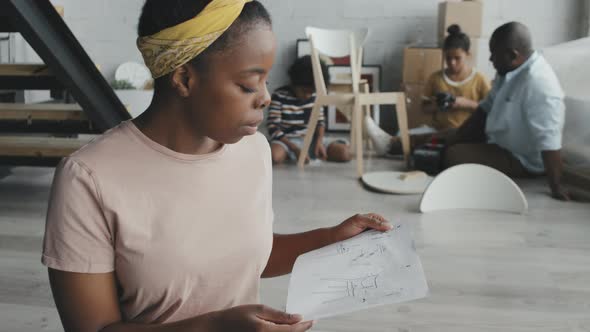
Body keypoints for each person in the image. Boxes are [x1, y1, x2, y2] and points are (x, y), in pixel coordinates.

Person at [41, 1, 393, 331]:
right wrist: (213, 327)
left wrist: (331, 239)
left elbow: (246, 256)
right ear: (183, 79)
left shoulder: (252, 149)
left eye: (266, 80)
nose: (266, 97)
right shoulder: (88, 179)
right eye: (248, 84)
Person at [443, 22, 569, 200]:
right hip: (498, 143)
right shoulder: (509, 71)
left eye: (494, 53)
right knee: (445, 136)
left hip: (520, 159)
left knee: (453, 155)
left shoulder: (539, 84)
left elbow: (549, 140)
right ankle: (401, 143)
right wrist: (457, 135)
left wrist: (557, 187)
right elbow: (485, 109)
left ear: (512, 55)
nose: (490, 59)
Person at [365, 24, 491, 155]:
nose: (452, 62)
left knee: (426, 142)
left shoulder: (479, 80)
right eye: (448, 58)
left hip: (465, 132)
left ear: (468, 54)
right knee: (406, 133)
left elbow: (490, 111)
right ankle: (394, 143)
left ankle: (390, 144)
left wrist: (465, 103)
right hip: (438, 129)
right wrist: (438, 105)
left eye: (457, 58)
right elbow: (424, 108)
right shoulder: (436, 78)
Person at [267, 55, 351, 164]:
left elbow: (320, 122)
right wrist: (295, 148)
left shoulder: (315, 96)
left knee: (345, 153)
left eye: (311, 92)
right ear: (294, 83)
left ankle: (313, 152)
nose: (307, 95)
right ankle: (294, 154)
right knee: (274, 157)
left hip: (313, 140)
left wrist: (319, 143)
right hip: (287, 142)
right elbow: (273, 127)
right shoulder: (279, 96)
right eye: (304, 90)